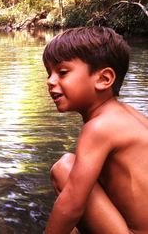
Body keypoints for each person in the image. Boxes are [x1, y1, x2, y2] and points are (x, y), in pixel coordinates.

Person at [42, 26, 148, 234]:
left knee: (64, 169)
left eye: (62, 72)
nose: (50, 81)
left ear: (103, 79)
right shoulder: (128, 115)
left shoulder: (99, 127)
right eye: (49, 74)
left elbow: (71, 205)